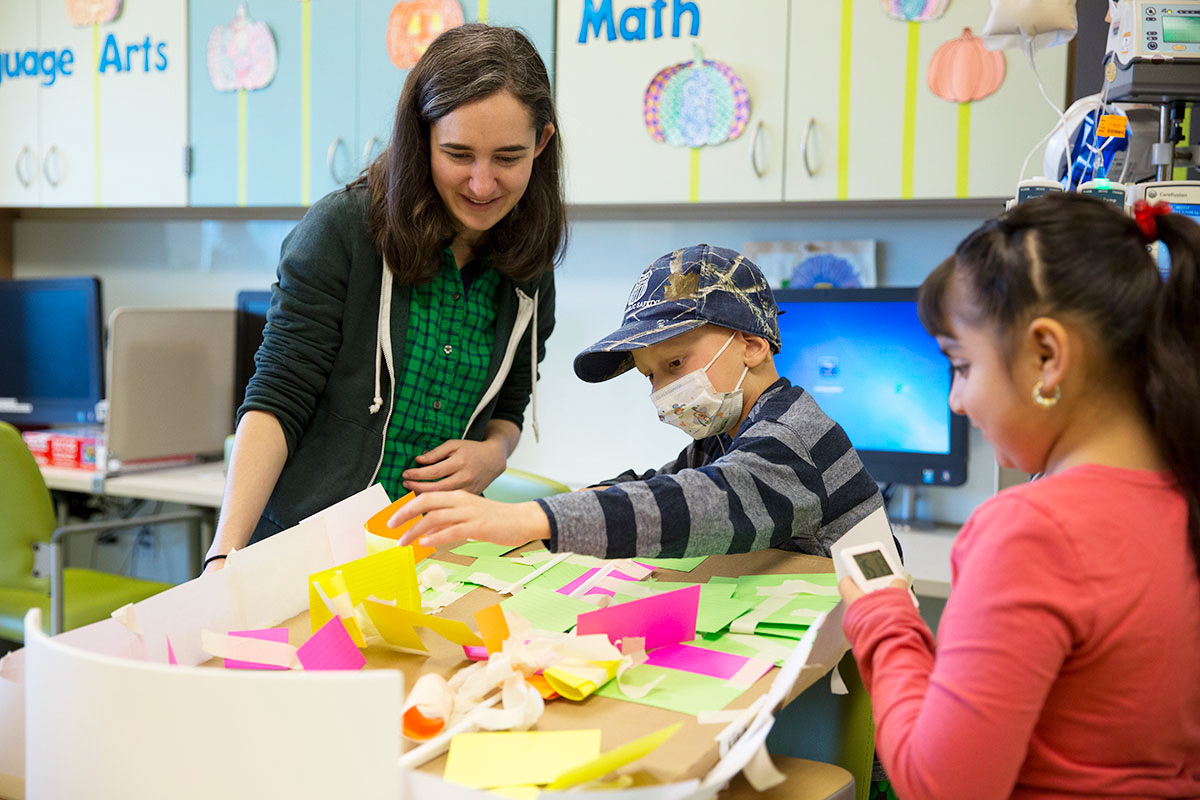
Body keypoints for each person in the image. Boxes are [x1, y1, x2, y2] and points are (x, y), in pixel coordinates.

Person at [838, 193, 1200, 798]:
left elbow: (939, 786)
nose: (956, 401)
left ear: (1047, 355)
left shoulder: (1031, 532)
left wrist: (884, 616)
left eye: (961, 366)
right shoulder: (1183, 499)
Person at [203, 24, 564, 571]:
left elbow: (511, 403)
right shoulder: (343, 231)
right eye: (458, 154)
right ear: (422, 137)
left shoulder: (527, 264)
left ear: (541, 142)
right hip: (308, 550)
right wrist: (224, 555)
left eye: (508, 158)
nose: (482, 184)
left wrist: (494, 452)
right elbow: (278, 397)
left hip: (434, 555)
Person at [389, 243, 884, 558]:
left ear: (752, 345)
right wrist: (555, 511)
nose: (663, 390)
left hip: (853, 658)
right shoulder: (726, 435)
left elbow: (700, 505)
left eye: (675, 363)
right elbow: (658, 485)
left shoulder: (791, 436)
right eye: (650, 376)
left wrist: (526, 519)